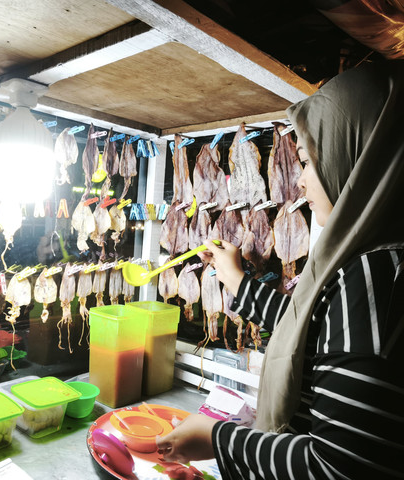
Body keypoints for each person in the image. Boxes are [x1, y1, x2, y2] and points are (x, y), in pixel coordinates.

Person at [156, 60, 404, 479]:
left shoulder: (376, 279)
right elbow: (313, 328)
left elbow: (339, 469)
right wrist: (235, 280)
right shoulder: (379, 260)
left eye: (306, 162)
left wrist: (219, 439)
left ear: (359, 157)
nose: (300, 183)